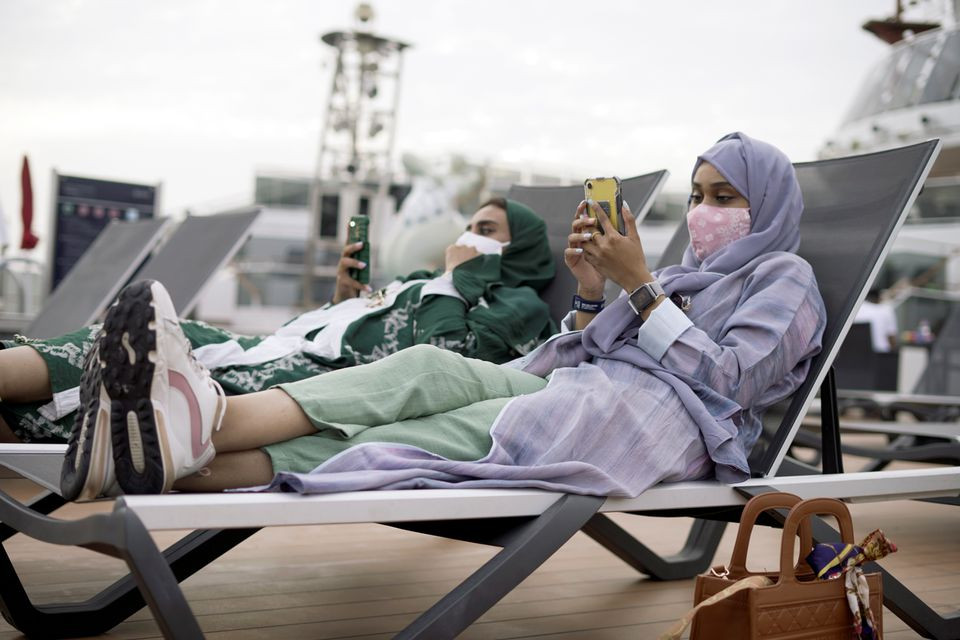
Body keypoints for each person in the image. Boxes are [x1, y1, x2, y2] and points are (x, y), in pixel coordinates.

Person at [64, 132, 827, 502]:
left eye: (725, 197)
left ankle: (169, 457)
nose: (705, 210)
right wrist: (596, 292)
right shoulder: (681, 277)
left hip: (653, 424)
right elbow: (595, 349)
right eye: (698, 194)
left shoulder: (784, 278)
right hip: (578, 390)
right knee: (422, 370)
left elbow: (730, 381)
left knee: (404, 439)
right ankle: (191, 428)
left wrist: (640, 292)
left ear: (770, 207)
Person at [0, 198, 556, 451]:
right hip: (270, 352)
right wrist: (344, 301)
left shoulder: (515, 302)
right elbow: (308, 332)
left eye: (488, 229)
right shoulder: (419, 277)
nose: (467, 237)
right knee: (122, 349)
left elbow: (446, 359)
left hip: (304, 387)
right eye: (469, 225)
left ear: (522, 246)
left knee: (122, 361)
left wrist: (454, 281)